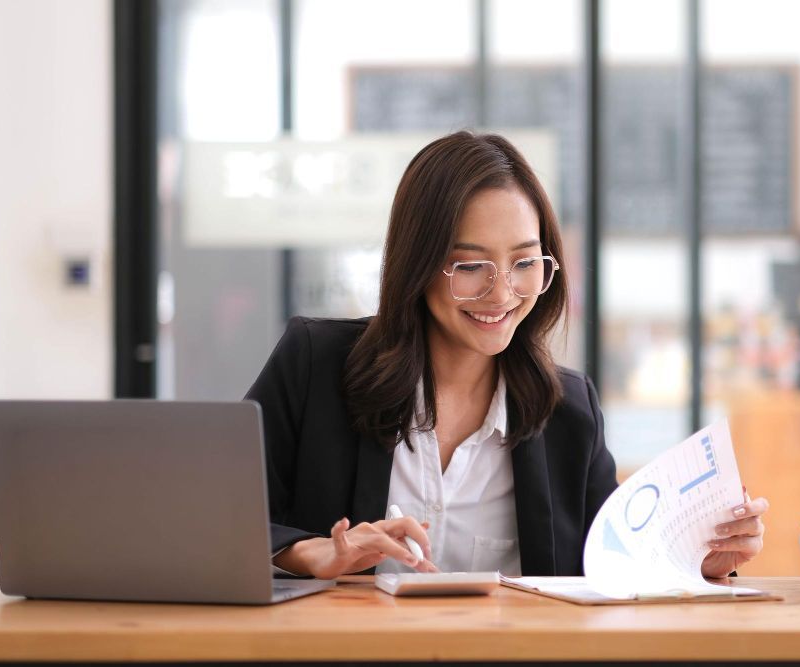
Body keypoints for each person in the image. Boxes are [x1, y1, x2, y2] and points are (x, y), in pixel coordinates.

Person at [246, 131, 768, 580]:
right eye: (471, 266)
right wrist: (306, 552)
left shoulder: (569, 411)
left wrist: (697, 561)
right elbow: (213, 518)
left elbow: (608, 568)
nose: (502, 294)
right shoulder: (314, 365)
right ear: (419, 265)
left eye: (524, 263)